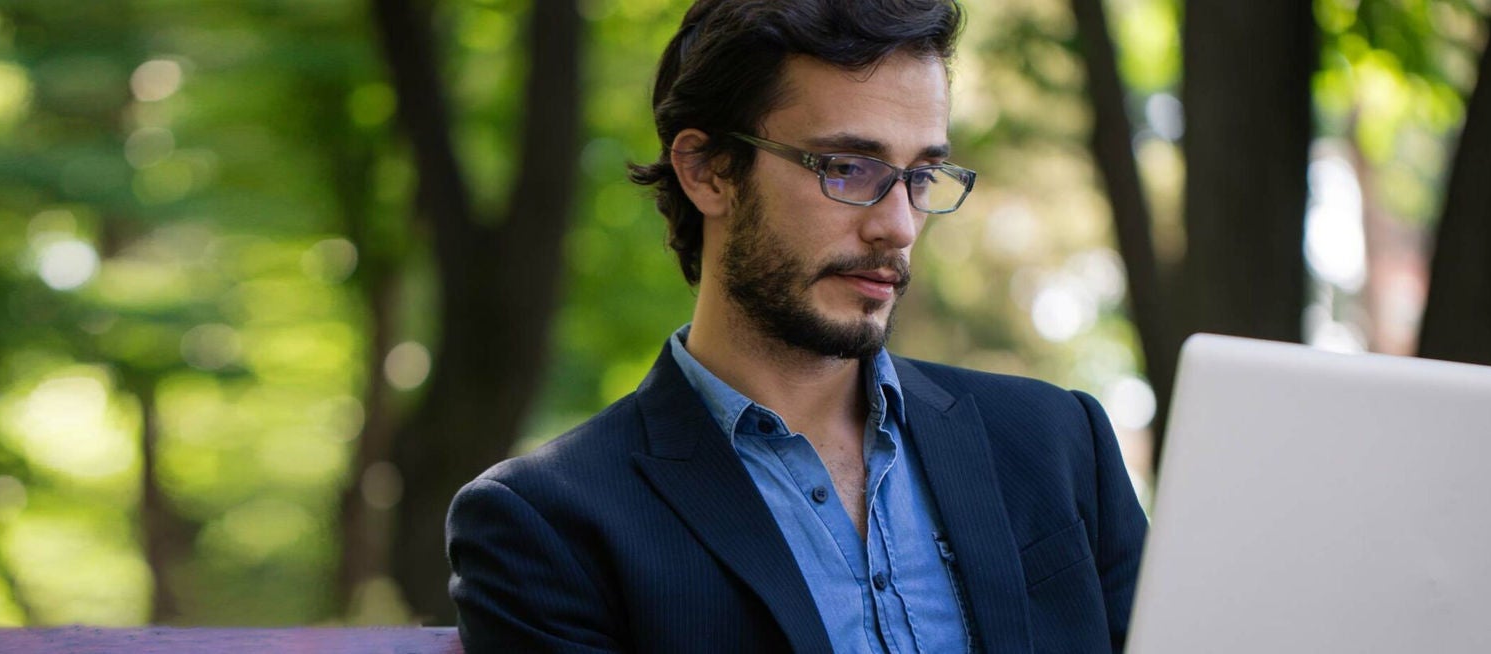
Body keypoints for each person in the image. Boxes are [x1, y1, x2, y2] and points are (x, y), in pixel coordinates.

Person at [444, 0, 1146, 651]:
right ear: (708, 170)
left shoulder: (1058, 442)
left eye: (922, 176)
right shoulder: (548, 526)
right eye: (847, 167)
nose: (897, 226)